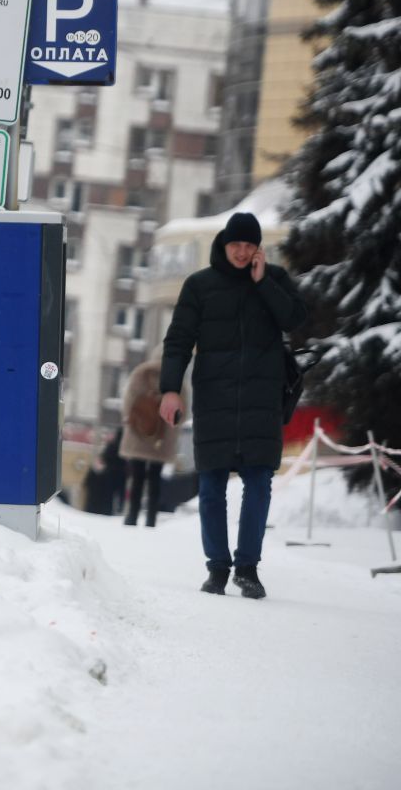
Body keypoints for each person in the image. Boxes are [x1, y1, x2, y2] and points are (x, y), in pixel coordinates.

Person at [159, 212, 307, 599]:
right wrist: (170, 390)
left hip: (262, 401)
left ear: (258, 249)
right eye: (235, 245)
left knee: (259, 483)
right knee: (211, 485)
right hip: (214, 399)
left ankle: (248, 567)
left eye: (249, 245)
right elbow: (177, 341)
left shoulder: (274, 281)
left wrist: (262, 284)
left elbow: (295, 319)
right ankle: (217, 568)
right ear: (223, 245)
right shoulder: (199, 286)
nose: (241, 252)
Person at [119, 358, 178, 527]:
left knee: (136, 478)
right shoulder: (176, 377)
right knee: (155, 479)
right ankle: (151, 518)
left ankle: (132, 516)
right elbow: (181, 412)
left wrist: (131, 424)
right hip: (161, 437)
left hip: (138, 435)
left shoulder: (140, 373)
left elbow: (128, 402)